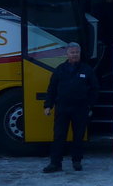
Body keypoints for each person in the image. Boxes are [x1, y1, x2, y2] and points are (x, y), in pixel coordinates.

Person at [42, 42, 100, 173]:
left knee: (78, 136)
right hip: (62, 108)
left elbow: (94, 89)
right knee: (58, 136)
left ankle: (77, 161)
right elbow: (52, 89)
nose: (74, 55)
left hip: (80, 108)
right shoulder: (60, 69)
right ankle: (55, 163)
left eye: (77, 53)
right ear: (67, 54)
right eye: (72, 52)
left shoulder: (87, 70)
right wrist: (48, 106)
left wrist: (90, 105)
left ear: (79, 54)